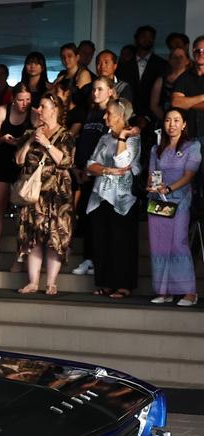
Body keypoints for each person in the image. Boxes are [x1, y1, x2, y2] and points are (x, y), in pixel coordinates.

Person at [15, 93, 76, 296]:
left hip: (57, 195)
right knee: (33, 236)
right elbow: (18, 160)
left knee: (55, 237)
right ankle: (33, 282)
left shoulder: (66, 135)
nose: (38, 110)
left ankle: (51, 282)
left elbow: (66, 161)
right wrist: (31, 140)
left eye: (43, 106)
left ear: (55, 110)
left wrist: (48, 144)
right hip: (34, 194)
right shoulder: (31, 133)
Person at [86, 98, 141, 300]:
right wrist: (107, 170)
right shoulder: (104, 138)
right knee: (102, 240)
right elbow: (91, 165)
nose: (104, 116)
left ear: (120, 116)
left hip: (123, 198)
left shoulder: (134, 137)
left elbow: (123, 161)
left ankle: (124, 285)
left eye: (108, 113)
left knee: (122, 242)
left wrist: (123, 137)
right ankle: (106, 282)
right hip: (101, 195)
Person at [147, 108, 200, 306]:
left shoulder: (192, 146)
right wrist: (151, 186)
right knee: (159, 244)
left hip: (179, 199)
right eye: (168, 120)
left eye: (176, 120)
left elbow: (189, 176)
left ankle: (189, 292)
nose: (172, 124)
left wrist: (169, 188)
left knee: (178, 243)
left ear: (184, 124)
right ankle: (164, 291)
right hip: (158, 200)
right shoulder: (156, 149)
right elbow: (151, 174)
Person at [71, 77, 118, 276]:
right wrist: (79, 168)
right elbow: (84, 143)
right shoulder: (91, 113)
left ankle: (100, 260)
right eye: (94, 89)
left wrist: (95, 169)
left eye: (100, 89)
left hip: (103, 175)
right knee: (88, 218)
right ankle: (89, 259)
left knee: (100, 221)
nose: (95, 93)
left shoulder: (113, 114)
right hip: (86, 173)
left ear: (110, 92)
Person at [0, 84, 33, 271]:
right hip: (3, 159)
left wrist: (24, 142)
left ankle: (18, 258)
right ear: (12, 99)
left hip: (22, 163)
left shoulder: (33, 113)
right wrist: (3, 139)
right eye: (21, 100)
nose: (24, 104)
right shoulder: (2, 110)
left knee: (23, 212)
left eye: (28, 100)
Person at [119, 26, 169, 124]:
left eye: (150, 37)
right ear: (136, 38)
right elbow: (121, 92)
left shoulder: (162, 64)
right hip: (128, 118)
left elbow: (163, 94)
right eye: (144, 36)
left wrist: (148, 117)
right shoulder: (124, 66)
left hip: (154, 120)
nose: (147, 39)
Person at [171, 35, 204, 137]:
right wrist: (202, 97)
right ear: (193, 52)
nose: (201, 53)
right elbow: (176, 102)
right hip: (189, 135)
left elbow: (180, 103)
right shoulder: (185, 77)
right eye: (197, 50)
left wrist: (187, 103)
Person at [151, 46, 190, 125]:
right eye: (174, 57)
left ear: (187, 61)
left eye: (181, 57)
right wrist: (167, 120)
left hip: (189, 123)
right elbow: (153, 105)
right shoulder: (161, 79)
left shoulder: (193, 80)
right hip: (164, 121)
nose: (177, 59)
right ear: (169, 60)